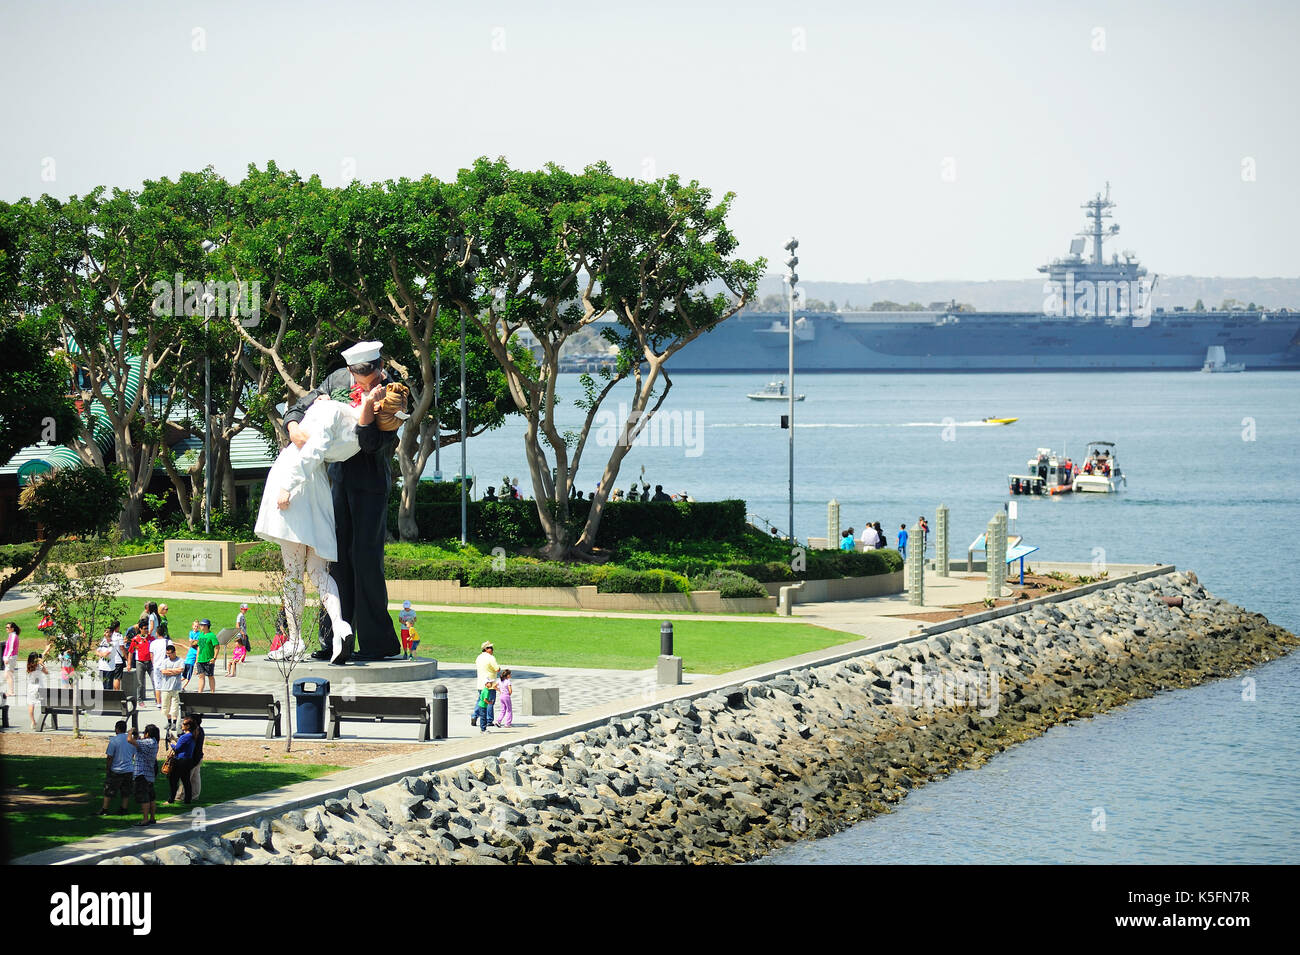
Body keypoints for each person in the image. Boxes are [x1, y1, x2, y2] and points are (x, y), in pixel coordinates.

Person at [280, 341, 408, 663]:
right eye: (361, 375)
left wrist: (368, 408)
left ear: (379, 367)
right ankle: (335, 638)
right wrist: (295, 428)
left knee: (366, 560)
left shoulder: (393, 392)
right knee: (333, 561)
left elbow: (370, 442)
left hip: (371, 483)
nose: (369, 380)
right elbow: (298, 406)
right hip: (335, 481)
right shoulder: (336, 380)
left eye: (373, 372)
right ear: (351, 371)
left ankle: (378, 643)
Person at [126, 724, 160, 826]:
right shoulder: (154, 743)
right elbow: (138, 744)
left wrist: (130, 733)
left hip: (141, 774)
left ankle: (145, 819)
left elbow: (129, 741)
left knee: (144, 797)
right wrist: (137, 738)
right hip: (149, 773)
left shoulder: (146, 742)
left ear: (148, 733)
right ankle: (152, 818)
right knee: (151, 797)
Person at [98, 720, 134, 815]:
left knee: (109, 790)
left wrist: (108, 768)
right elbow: (133, 754)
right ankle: (124, 808)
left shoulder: (114, 740)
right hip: (129, 769)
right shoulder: (131, 739)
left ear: (117, 729)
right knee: (126, 791)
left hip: (116, 769)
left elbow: (110, 757)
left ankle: (105, 809)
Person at [166, 718, 198, 805]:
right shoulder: (192, 736)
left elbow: (177, 749)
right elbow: (182, 746)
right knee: (186, 780)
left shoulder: (184, 737)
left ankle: (171, 799)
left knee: (173, 780)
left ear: (188, 726)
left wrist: (170, 743)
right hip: (188, 760)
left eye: (183, 724)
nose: (181, 725)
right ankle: (188, 800)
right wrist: (174, 739)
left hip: (180, 761)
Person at [472, 641, 500, 728]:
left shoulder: (479, 657)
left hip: (480, 683)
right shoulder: (491, 658)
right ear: (485, 649)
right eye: (490, 648)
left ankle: (474, 716)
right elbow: (497, 669)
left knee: (480, 700)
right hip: (490, 684)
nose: (492, 650)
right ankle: (489, 720)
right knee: (490, 702)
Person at [158, 644, 183, 733]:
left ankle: (174, 723)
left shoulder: (180, 660)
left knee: (175, 706)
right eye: (167, 653)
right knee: (165, 707)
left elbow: (180, 670)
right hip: (165, 688)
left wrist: (170, 671)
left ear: (174, 652)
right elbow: (163, 672)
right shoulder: (165, 661)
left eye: (170, 653)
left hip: (176, 688)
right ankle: (168, 721)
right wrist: (174, 671)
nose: (168, 655)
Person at [127, 616, 151, 706]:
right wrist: (129, 664)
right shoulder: (135, 639)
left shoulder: (150, 638)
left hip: (150, 662)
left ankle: (158, 700)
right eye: (144, 629)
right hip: (140, 662)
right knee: (140, 683)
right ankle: (139, 699)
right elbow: (130, 652)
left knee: (154, 680)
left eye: (147, 628)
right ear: (140, 629)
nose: (146, 630)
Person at [193, 619, 219, 693]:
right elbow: (199, 647)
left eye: (202, 625)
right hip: (200, 659)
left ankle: (212, 692)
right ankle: (200, 692)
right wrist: (197, 658)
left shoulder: (212, 635)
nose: (200, 626)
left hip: (208, 659)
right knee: (201, 676)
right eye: (200, 625)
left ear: (206, 626)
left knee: (210, 676)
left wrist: (214, 658)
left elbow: (217, 647)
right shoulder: (200, 635)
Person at [25, 652, 47, 730]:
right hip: (39, 687)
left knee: (31, 704)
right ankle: (42, 722)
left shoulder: (29, 666)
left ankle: (33, 722)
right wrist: (43, 664)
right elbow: (47, 672)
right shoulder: (39, 666)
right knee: (43, 704)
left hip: (31, 687)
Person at [149, 626, 169, 708]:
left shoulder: (153, 643)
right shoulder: (168, 642)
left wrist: (154, 663)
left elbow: (151, 655)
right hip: (165, 665)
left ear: (157, 633)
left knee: (157, 685)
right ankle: (166, 701)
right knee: (167, 684)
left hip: (156, 665)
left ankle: (158, 702)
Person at [3, 621, 20, 697]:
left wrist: (7, 657)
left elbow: (11, 648)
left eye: (8, 627)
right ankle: (10, 691)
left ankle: (11, 692)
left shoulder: (13, 636)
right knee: (8, 675)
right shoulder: (11, 635)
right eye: (6, 627)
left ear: (12, 629)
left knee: (8, 675)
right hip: (10, 657)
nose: (6, 628)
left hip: (11, 657)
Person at [181, 623, 199, 689]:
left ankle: (177, 683)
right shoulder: (197, 652)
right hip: (190, 665)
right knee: (188, 678)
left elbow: (182, 645)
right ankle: (182, 687)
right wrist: (197, 669)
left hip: (185, 663)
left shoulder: (190, 649)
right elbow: (197, 659)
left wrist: (175, 643)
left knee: (183, 676)